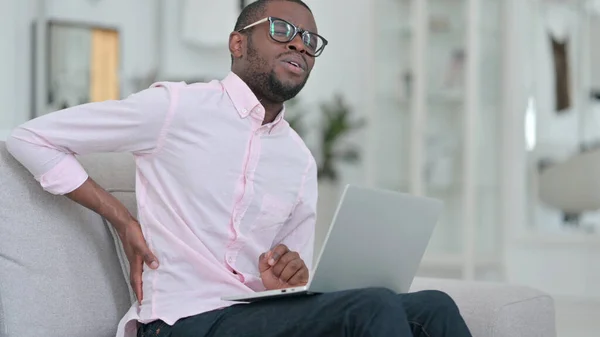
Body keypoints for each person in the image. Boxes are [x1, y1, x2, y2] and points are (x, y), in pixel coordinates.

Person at [6, 1, 473, 336]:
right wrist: (121, 218)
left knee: (434, 307)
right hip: (183, 321)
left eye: (311, 40)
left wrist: (287, 278)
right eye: (282, 30)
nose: (300, 45)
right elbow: (29, 138)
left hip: (254, 312)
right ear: (237, 43)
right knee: (371, 309)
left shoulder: (298, 160)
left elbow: (293, 283)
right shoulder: (176, 108)